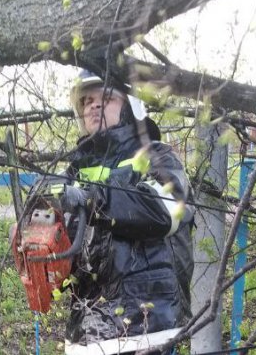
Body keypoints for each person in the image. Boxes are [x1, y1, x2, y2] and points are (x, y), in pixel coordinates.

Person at [57, 70, 194, 355]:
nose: (93, 106)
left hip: (146, 330)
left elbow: (166, 211)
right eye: (87, 101)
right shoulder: (73, 171)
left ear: (131, 106)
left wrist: (92, 198)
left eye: (106, 97)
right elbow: (67, 249)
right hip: (87, 333)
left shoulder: (156, 155)